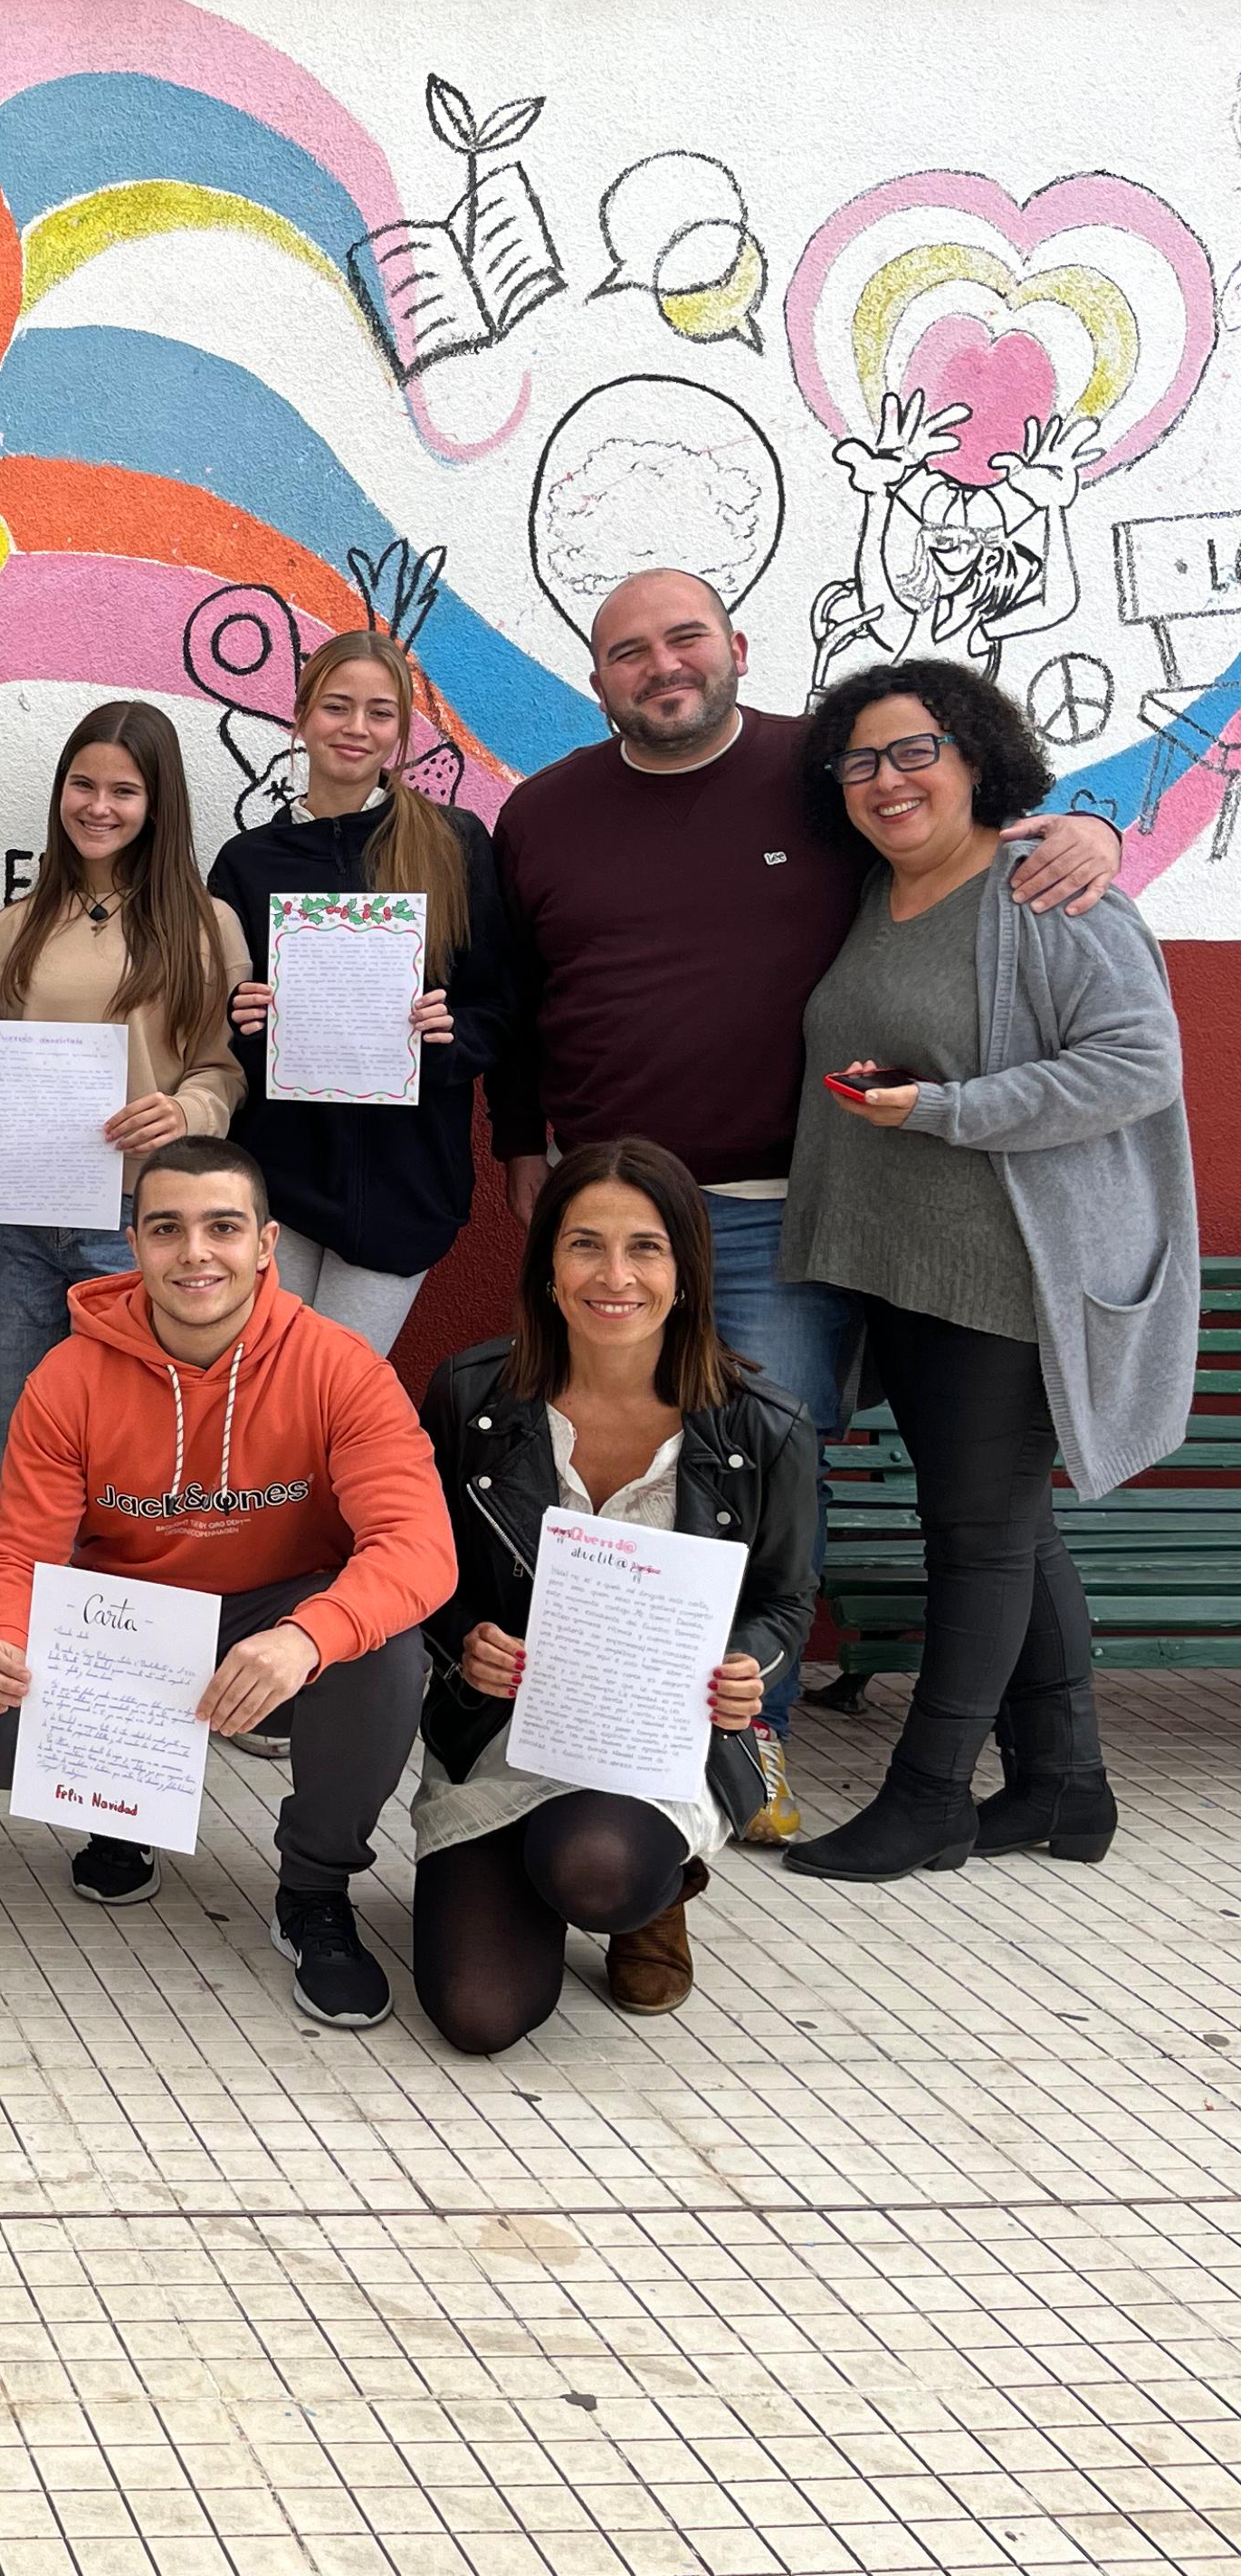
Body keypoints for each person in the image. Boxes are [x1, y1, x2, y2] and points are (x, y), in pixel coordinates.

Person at [485, 567, 1120, 1824]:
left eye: (683, 639)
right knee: (620, 1473)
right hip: (619, 1213)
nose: (661, 666)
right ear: (595, 676)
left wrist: (1088, 825)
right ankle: (612, 1730)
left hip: (792, 1203)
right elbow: (517, 1006)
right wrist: (521, 1149)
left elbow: (966, 822)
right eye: (627, 652)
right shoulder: (543, 815)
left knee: (759, 1478)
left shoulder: (821, 775)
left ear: (733, 645)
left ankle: (750, 1743)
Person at [776, 662, 1193, 1881]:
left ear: (974, 760)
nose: (887, 781)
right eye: (859, 762)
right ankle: (1067, 1789)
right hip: (904, 1269)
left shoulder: (1048, 891)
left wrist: (949, 1111)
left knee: (977, 1538)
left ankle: (932, 1796)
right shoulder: (878, 893)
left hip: (1005, 1278)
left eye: (914, 753)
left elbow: (1137, 1064)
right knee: (1013, 1528)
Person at [0, 1138, 452, 2028]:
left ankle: (316, 1891)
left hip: (273, 1629)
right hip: (129, 1630)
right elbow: (15, 1548)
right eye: (167, 1228)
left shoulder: (340, 1369)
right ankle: (123, 1809)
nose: (195, 1253)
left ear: (266, 1243)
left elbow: (418, 1546)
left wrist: (307, 1636)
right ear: (134, 1243)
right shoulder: (69, 1378)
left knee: (384, 1645)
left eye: (222, 1227)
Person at [414, 1142, 816, 2053]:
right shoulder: (472, 1394)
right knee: (480, 2017)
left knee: (596, 1871)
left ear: (686, 1268)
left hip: (661, 1746)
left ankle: (650, 1892)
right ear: (548, 1265)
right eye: (585, 1244)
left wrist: (751, 1664)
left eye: (646, 1247)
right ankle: (525, 1873)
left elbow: (787, 1602)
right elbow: (420, 1571)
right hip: (504, 1738)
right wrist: (464, 1642)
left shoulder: (764, 1423)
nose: (615, 1276)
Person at [0, 701, 247, 1494]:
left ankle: (114, 1612)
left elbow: (225, 1069)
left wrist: (186, 1113)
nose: (99, 807)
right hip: (14, 1220)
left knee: (137, 1433)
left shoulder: (208, 929)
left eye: (124, 791)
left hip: (134, 1219)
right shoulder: (11, 930)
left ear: (158, 804)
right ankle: (20, 1597)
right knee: (9, 1424)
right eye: (82, 785)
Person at [209, 629, 518, 1359]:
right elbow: (212, 1025)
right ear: (301, 716)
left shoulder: (452, 841)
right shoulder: (248, 861)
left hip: (400, 1183)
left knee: (333, 1396)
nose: (356, 729)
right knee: (263, 1396)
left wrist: (449, 1038)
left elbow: (498, 1008)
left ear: (401, 733)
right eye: (336, 707)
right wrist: (241, 1018)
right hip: (277, 1177)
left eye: (380, 713)